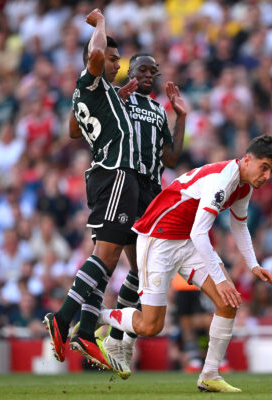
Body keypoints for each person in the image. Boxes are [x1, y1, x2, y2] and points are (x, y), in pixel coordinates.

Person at [94, 135, 272, 392]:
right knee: (151, 326)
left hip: (187, 240)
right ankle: (98, 316)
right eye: (264, 167)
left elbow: (239, 225)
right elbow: (199, 233)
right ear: (247, 160)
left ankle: (209, 375)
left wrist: (253, 265)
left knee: (228, 303)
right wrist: (220, 279)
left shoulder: (243, 185)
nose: (267, 175)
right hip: (158, 238)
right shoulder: (223, 180)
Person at [43, 8, 141, 369]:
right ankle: (64, 318)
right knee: (104, 256)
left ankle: (85, 331)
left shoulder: (88, 92)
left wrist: (116, 98)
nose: (117, 64)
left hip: (109, 177)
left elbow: (73, 130)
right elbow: (96, 55)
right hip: (115, 174)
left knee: (110, 258)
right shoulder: (91, 77)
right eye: (114, 59)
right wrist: (100, 24)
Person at [101, 53, 187, 378]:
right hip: (127, 183)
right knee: (137, 266)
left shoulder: (158, 111)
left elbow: (172, 155)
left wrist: (181, 117)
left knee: (143, 270)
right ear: (130, 71)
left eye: (153, 71)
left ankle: (116, 336)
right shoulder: (119, 100)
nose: (148, 75)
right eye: (142, 69)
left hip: (153, 191)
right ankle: (109, 331)